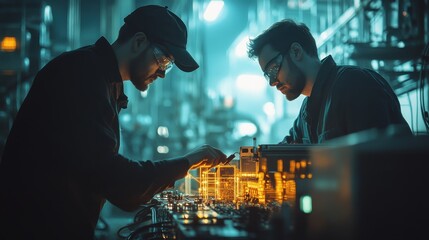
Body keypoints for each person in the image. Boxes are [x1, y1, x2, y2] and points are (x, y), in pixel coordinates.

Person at [0, 5, 227, 240]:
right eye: (163, 60)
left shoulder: (106, 80)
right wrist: (188, 161)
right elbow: (120, 183)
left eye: (167, 66)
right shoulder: (80, 75)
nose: (162, 72)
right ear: (139, 42)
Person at [247, 19, 412, 144]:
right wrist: (233, 161)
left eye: (273, 69)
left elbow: (378, 167)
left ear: (296, 52)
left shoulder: (353, 85)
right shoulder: (307, 112)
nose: (272, 82)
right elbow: (282, 152)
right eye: (267, 75)